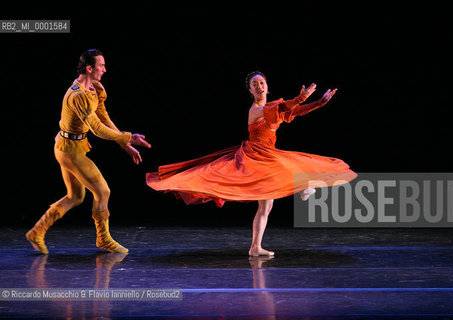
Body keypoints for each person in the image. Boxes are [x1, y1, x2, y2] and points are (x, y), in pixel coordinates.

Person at [146, 71, 356, 256]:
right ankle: (304, 187)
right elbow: (285, 106)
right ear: (249, 90)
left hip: (268, 156)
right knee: (291, 165)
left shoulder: (274, 109)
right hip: (256, 156)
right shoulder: (255, 110)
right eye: (254, 84)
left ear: (267, 86)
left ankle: (255, 247)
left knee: (266, 207)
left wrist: (320, 102)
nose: (259, 86)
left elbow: (294, 111)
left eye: (262, 83)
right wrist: (300, 97)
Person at [26, 49, 151, 254]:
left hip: (70, 147)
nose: (104, 69)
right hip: (69, 151)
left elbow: (104, 118)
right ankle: (103, 238)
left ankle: (37, 231)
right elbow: (98, 129)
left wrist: (124, 144)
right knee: (103, 191)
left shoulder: (95, 88)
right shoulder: (77, 95)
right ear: (89, 68)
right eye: (101, 66)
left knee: (75, 196)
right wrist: (128, 137)